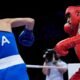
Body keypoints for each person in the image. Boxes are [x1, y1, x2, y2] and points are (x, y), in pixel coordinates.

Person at [54, 6, 80, 80]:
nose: (68, 20)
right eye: (67, 18)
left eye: (69, 17)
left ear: (78, 14)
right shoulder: (76, 30)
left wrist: (65, 44)